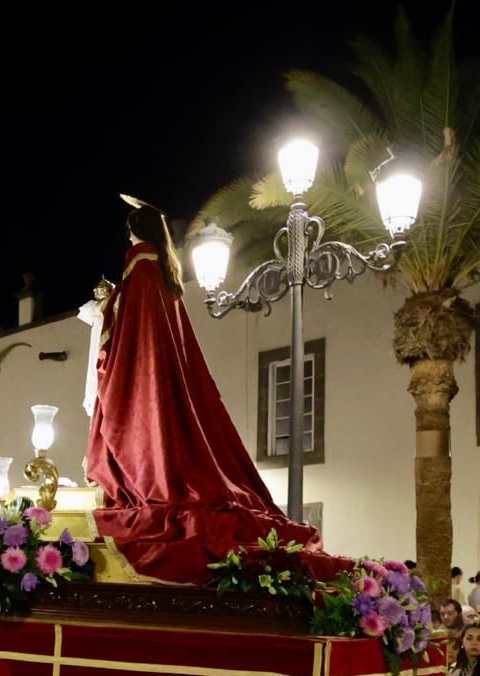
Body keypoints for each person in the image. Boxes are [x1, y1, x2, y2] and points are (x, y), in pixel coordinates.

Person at [84, 196, 325, 584]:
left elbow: (125, 335)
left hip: (144, 378)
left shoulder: (140, 272)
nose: (127, 238)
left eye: (128, 231)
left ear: (135, 232)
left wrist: (106, 307)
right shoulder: (163, 275)